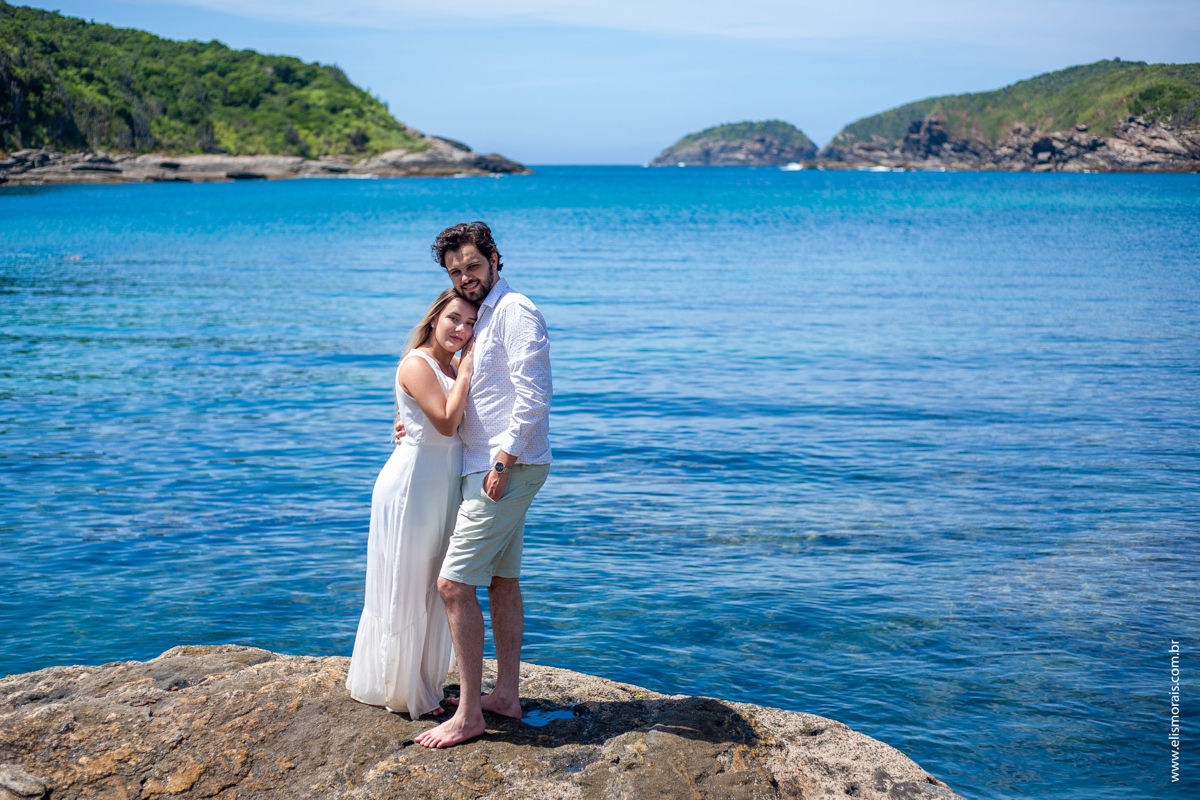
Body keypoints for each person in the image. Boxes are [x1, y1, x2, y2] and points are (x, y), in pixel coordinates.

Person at [412, 221, 553, 749]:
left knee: (453, 585)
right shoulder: (485, 315)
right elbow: (470, 393)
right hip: (494, 463)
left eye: (473, 265)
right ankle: (505, 697)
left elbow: (533, 395)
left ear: (495, 258)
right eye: (456, 271)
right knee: (501, 582)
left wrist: (502, 460)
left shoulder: (515, 311)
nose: (466, 277)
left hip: (503, 467)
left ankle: (469, 714)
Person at [345, 289, 479, 718]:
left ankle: (421, 679)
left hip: (442, 485)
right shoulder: (418, 363)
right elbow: (443, 421)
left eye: (471, 324)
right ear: (435, 315)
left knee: (432, 584)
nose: (462, 330)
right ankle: (400, 688)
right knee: (408, 581)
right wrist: (468, 371)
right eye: (455, 318)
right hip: (411, 487)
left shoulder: (450, 365)